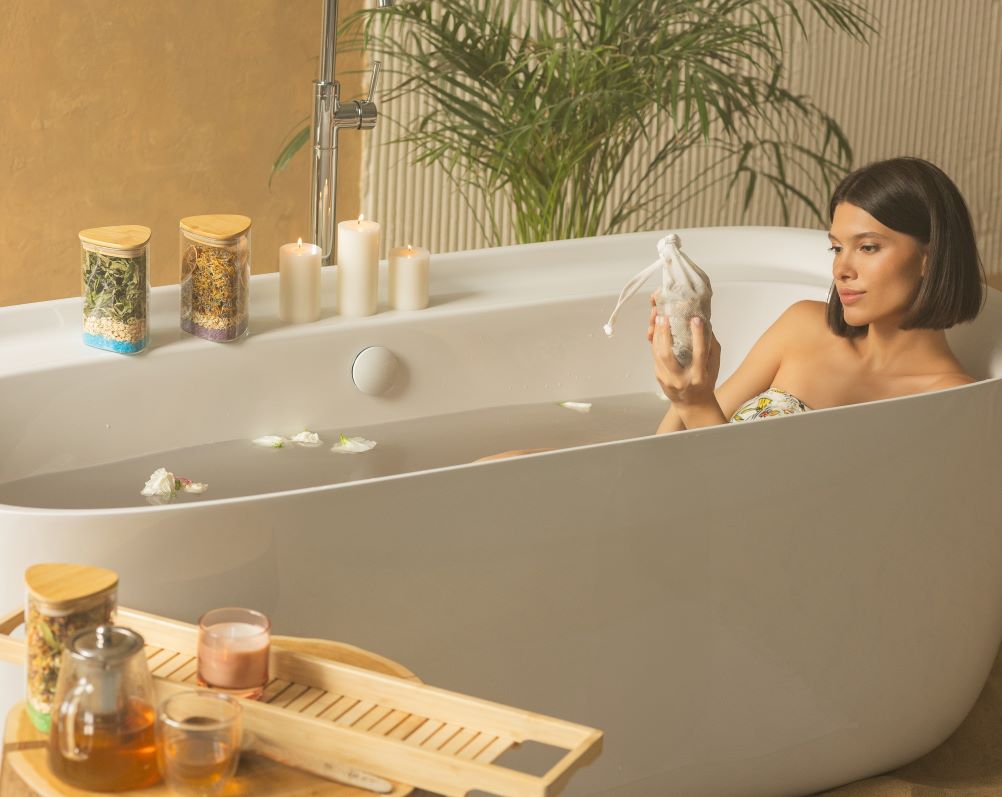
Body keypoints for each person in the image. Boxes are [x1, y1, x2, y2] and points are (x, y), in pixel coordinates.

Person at [477, 156, 986, 461]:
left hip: (729, 555)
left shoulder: (949, 401)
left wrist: (696, 404)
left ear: (929, 257)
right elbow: (669, 448)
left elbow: (776, 517)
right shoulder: (805, 325)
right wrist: (683, 389)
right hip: (670, 498)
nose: (842, 269)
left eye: (868, 247)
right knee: (504, 464)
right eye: (837, 247)